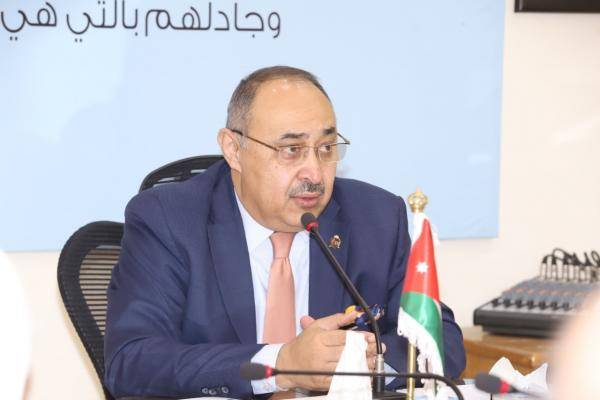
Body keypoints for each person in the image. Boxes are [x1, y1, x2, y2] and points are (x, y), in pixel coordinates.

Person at [104, 66, 466, 399]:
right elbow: (131, 361)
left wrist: (366, 361)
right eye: (291, 150)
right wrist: (283, 364)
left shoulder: (376, 217)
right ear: (233, 150)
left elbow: (442, 341)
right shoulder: (168, 220)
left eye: (326, 148)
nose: (314, 173)